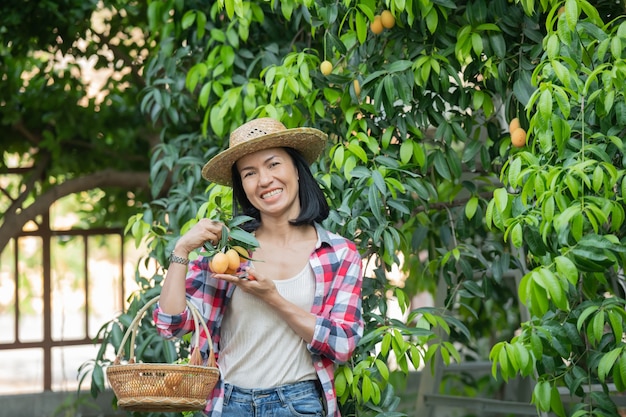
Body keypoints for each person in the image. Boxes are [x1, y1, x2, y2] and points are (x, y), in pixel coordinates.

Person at [153, 117, 364, 417]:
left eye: (274, 164)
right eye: (249, 173)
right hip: (229, 404)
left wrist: (272, 297)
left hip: (298, 404)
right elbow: (171, 324)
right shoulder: (229, 253)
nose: (264, 180)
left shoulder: (338, 254)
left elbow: (343, 344)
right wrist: (181, 249)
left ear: (297, 169)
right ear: (242, 186)